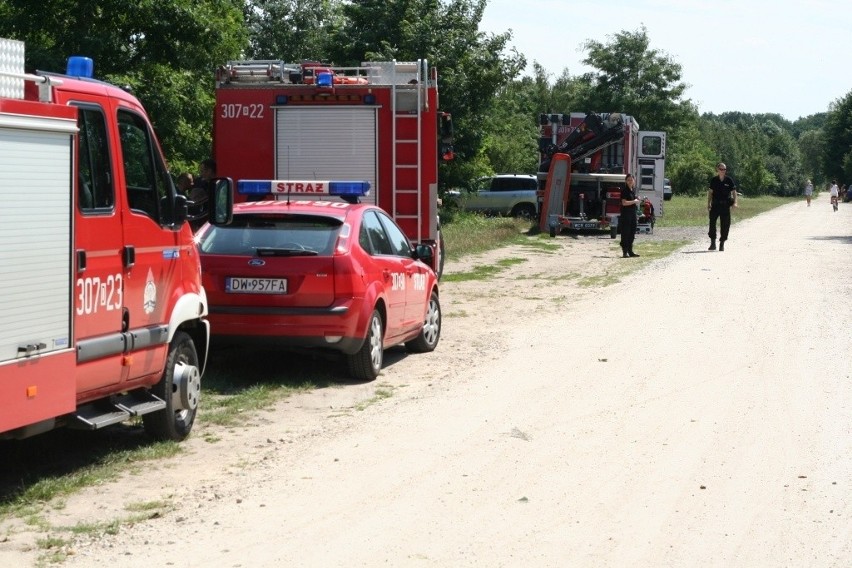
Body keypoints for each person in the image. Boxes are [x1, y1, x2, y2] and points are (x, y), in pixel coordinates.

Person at [707, 162, 738, 251]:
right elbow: (710, 193)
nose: (723, 171)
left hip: (725, 206)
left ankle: (722, 243)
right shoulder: (714, 180)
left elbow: (734, 192)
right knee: (712, 224)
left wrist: (735, 202)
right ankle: (713, 243)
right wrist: (708, 203)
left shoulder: (729, 180)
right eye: (721, 169)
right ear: (717, 169)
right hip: (715, 205)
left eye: (724, 169)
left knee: (725, 225)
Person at [619, 173, 641, 258]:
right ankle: (625, 252)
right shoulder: (624, 191)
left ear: (634, 181)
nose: (630, 181)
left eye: (631, 180)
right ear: (626, 181)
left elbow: (634, 200)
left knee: (632, 232)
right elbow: (624, 203)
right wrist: (634, 201)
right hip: (626, 214)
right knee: (626, 233)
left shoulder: (633, 190)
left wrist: (637, 199)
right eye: (628, 180)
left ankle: (630, 251)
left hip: (632, 214)